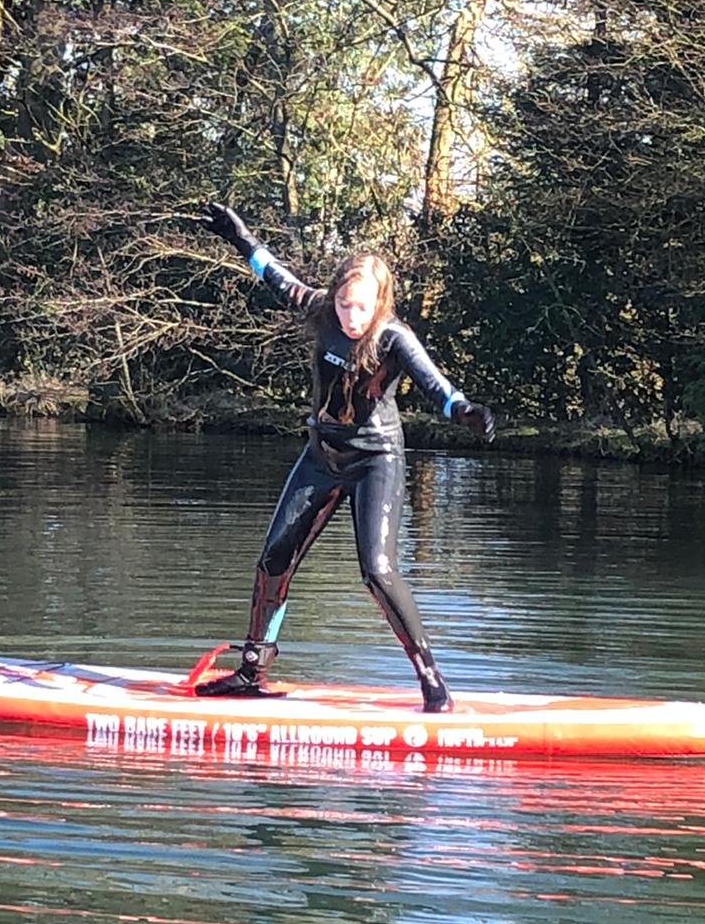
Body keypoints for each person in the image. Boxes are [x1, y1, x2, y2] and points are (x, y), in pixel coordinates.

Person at [197, 202, 495, 713]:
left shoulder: (394, 338)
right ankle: (251, 672)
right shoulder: (319, 310)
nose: (351, 318)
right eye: (344, 305)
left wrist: (463, 411)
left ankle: (433, 684)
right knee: (273, 561)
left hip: (375, 459)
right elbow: (274, 275)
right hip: (321, 455)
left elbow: (436, 385)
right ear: (333, 297)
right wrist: (239, 237)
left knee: (377, 571)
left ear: (380, 303)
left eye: (362, 308)